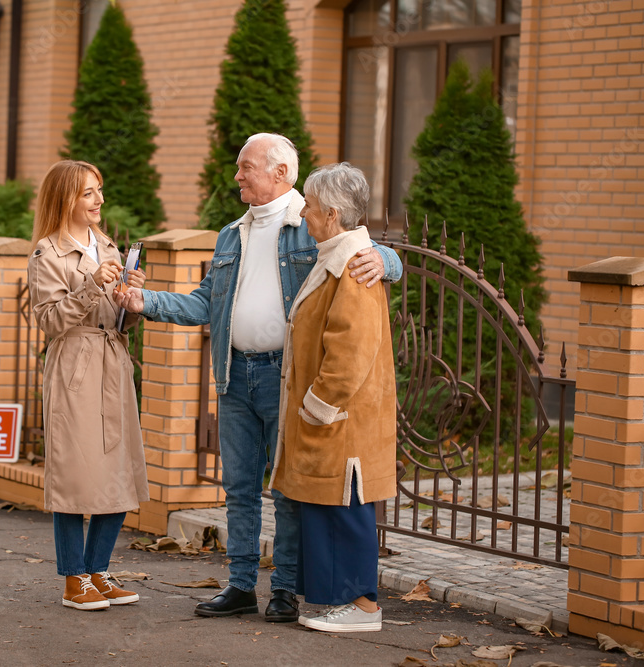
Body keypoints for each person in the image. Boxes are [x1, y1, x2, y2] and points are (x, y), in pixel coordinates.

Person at [112, 133, 402, 623]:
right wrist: (148, 302)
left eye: (246, 167)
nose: (237, 175)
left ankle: (285, 590)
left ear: (280, 173)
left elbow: (361, 254)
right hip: (233, 373)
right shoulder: (231, 233)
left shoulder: (312, 221)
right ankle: (242, 584)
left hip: (286, 379)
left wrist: (391, 261)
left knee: (289, 488)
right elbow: (206, 301)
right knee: (240, 488)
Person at [268, 162, 397, 633]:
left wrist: (318, 404)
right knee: (328, 508)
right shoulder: (336, 254)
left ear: (333, 213)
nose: (304, 211)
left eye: (312, 205)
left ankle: (362, 608)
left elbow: (351, 347)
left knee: (347, 509)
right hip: (332, 417)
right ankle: (341, 603)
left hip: (342, 418)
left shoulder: (352, 263)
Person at [28, 160, 149, 611]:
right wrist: (90, 288)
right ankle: (72, 578)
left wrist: (130, 299)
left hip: (113, 362)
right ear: (66, 199)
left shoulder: (109, 246)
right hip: (76, 366)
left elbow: (122, 321)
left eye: (100, 191)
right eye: (88, 193)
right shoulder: (48, 253)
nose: (99, 200)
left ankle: (97, 572)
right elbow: (48, 321)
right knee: (75, 474)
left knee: (118, 472)